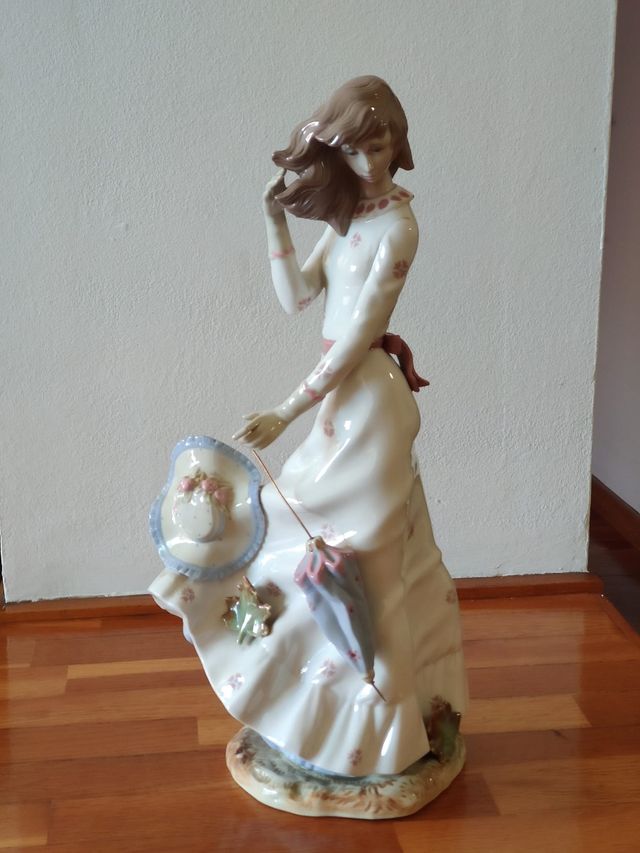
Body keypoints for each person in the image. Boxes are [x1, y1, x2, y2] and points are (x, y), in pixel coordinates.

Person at [150, 76, 467, 777]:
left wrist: (287, 409)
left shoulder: (400, 228)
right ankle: (318, 698)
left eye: (379, 147)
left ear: (398, 143)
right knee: (294, 522)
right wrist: (274, 222)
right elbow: (297, 297)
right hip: (340, 404)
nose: (368, 163)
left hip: (368, 403)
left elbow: (354, 339)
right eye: (354, 151)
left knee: (370, 566)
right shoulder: (349, 221)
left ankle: (388, 733)